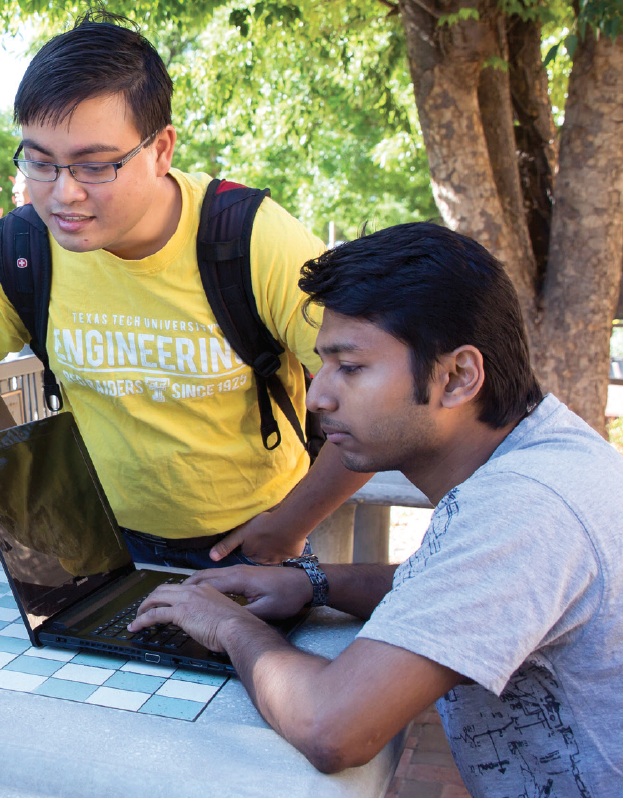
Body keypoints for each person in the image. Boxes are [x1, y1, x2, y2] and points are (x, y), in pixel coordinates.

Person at [130, 223, 621, 796]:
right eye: (322, 365)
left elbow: (333, 727)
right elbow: (447, 588)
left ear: (458, 376)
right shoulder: (549, 454)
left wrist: (226, 624)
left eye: (351, 367)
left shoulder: (522, 510)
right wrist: (312, 583)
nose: (317, 397)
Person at [0, 13, 371, 570]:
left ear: (161, 150)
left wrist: (289, 525)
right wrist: (37, 502)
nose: (63, 194)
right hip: (98, 541)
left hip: (251, 542)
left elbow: (376, 399)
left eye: (94, 166)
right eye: (40, 162)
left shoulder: (252, 239)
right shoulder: (22, 247)